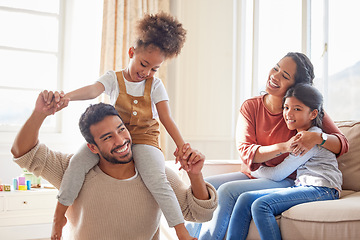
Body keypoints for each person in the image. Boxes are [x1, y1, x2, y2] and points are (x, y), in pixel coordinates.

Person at [43, 12, 193, 240]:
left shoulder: (155, 85)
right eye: (143, 64)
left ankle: (181, 232)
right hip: (113, 137)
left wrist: (182, 147)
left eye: (154, 68)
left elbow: (166, 118)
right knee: (76, 164)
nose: (146, 72)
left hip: (144, 139)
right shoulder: (114, 78)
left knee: (158, 179)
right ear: (132, 52)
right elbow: (93, 90)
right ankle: (59, 216)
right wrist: (66, 97)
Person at [10, 93, 218, 240]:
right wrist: (40, 114)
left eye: (121, 130)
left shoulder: (156, 175)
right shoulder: (72, 170)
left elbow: (200, 214)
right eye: (108, 137)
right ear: (92, 147)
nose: (121, 141)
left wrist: (196, 175)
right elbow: (23, 152)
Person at [187, 52, 349, 239]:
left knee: (227, 191)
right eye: (276, 68)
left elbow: (342, 143)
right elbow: (247, 153)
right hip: (254, 174)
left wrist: (316, 138)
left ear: (296, 87)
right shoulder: (251, 107)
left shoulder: (302, 109)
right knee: (203, 188)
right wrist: (283, 147)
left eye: (285, 76)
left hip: (286, 178)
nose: (275, 75)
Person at [228, 83, 342, 239]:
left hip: (324, 189)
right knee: (245, 199)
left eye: (297, 109)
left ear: (313, 114)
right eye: (286, 108)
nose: (289, 113)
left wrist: (252, 169)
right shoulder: (299, 136)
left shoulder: (309, 138)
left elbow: (277, 174)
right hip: (305, 186)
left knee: (261, 206)